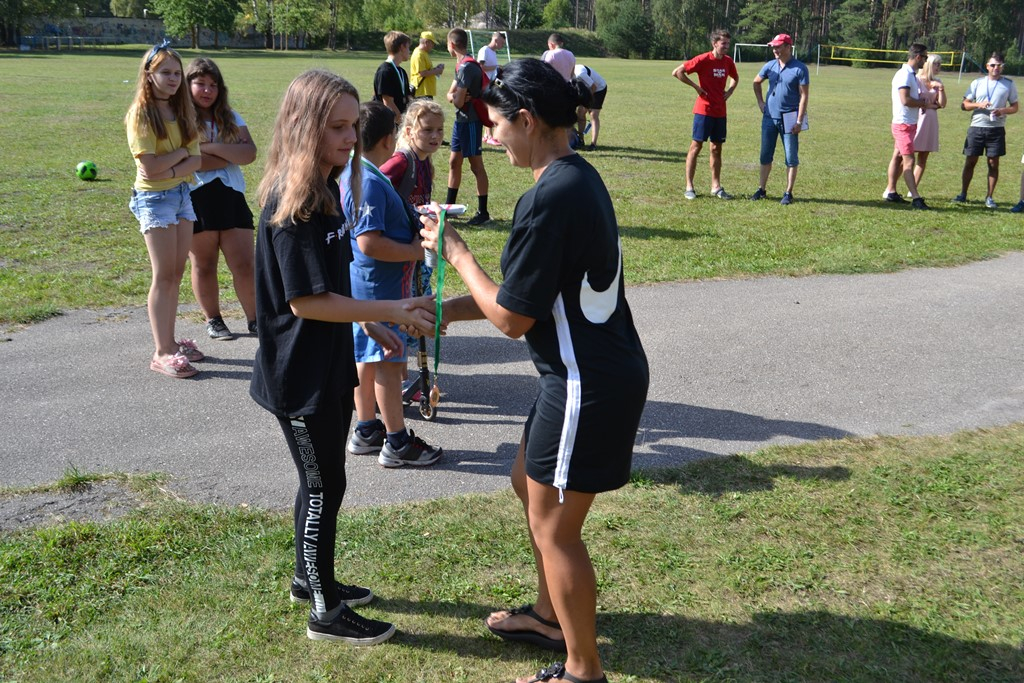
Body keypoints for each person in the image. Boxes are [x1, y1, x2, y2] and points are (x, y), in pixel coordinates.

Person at [420, 58, 649, 683]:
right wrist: (440, 313)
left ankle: (582, 670)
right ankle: (551, 617)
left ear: (526, 120)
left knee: (555, 528)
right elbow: (529, 297)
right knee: (529, 482)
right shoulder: (575, 177)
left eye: (496, 125)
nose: (491, 137)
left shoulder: (549, 195)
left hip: (587, 382)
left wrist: (456, 253)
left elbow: (513, 319)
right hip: (580, 375)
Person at [249, 69, 434, 645]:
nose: (351, 137)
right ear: (304, 127)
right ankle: (325, 612)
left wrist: (376, 323)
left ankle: (311, 580)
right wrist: (399, 308)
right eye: (336, 127)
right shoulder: (297, 202)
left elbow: (334, 289)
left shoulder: (328, 189)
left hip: (326, 367)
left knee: (322, 482)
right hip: (297, 375)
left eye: (354, 124)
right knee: (325, 486)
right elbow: (306, 302)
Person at [341, 101, 443, 468]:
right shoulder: (367, 180)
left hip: (369, 285)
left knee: (367, 358)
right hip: (378, 288)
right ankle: (397, 442)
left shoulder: (362, 171)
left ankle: (367, 429)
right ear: (389, 137)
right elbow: (369, 242)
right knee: (387, 358)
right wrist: (416, 250)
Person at [125, 42, 204, 379]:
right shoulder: (141, 114)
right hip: (154, 200)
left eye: (177, 73)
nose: (174, 79)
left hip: (183, 194)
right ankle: (162, 352)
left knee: (175, 273)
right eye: (166, 73)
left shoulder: (182, 112)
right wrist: (180, 158)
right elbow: (149, 169)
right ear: (149, 74)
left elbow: (197, 160)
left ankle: (171, 342)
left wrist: (171, 165)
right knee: (163, 275)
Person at [185, 57, 258, 341]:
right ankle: (214, 320)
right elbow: (193, 162)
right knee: (204, 264)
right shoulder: (179, 119)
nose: (207, 90)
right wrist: (228, 153)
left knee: (244, 263)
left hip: (231, 195)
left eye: (213, 85)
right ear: (188, 85)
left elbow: (249, 154)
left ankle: (255, 319)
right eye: (200, 84)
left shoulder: (229, 115)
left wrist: (212, 148)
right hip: (196, 196)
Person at [672, 28, 739, 200]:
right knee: (696, 147)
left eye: (728, 44)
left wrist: (729, 92)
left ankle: (716, 187)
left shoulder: (728, 61)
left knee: (716, 149)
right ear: (714, 43)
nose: (726, 47)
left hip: (720, 112)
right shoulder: (702, 59)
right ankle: (689, 186)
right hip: (703, 111)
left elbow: (735, 78)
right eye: (723, 43)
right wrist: (696, 87)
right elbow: (677, 72)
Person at [953, 52, 1019, 208]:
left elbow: (1015, 107)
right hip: (977, 127)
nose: (996, 68)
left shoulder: (1009, 84)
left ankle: (989, 197)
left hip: (996, 129)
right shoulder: (977, 83)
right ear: (987, 66)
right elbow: (965, 105)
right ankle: (963, 194)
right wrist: (978, 105)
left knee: (993, 164)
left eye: (999, 65)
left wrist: (1002, 110)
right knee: (970, 162)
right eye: (993, 65)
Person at [751, 33, 809, 205]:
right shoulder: (769, 66)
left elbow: (804, 96)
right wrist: (761, 102)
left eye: (778, 46)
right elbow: (756, 82)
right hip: (769, 118)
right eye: (773, 47)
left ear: (788, 47)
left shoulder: (800, 68)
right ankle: (761, 189)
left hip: (789, 119)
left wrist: (799, 121)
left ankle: (788, 193)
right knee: (765, 156)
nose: (775, 50)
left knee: (791, 157)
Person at [445, 27, 490, 225]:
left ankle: (483, 212)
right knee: (454, 161)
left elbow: (457, 102)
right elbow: (451, 95)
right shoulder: (460, 64)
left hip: (471, 121)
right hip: (460, 121)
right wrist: (456, 97)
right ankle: (448, 208)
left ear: (452, 45)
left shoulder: (467, 67)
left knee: (475, 165)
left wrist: (457, 98)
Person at [882, 43, 934, 210]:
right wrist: (921, 103)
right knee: (909, 161)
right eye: (925, 57)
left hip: (909, 123)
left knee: (898, 156)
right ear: (918, 57)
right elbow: (905, 100)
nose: (925, 61)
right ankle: (916, 198)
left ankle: (891, 192)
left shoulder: (911, 74)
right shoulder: (904, 75)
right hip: (903, 124)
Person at [911, 54, 947, 196]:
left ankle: (912, 189)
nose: (938, 67)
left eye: (940, 64)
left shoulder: (937, 82)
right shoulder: (917, 80)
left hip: (931, 121)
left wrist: (941, 88)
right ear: (928, 64)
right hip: (918, 118)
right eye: (936, 64)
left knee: (923, 157)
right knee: (907, 154)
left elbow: (942, 104)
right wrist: (932, 105)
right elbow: (918, 101)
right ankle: (894, 186)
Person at [373, 31, 412, 122]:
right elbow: (388, 103)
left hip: (400, 122)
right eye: (408, 48)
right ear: (402, 47)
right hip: (387, 123)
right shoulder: (385, 71)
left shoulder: (402, 71)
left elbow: (407, 97)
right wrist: (402, 122)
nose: (409, 51)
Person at [478, 31, 506, 146]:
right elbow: (480, 67)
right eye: (502, 43)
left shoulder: (493, 52)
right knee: (488, 109)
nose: (502, 45)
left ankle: (487, 135)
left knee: (493, 107)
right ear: (496, 40)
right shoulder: (484, 50)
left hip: (492, 83)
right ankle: (489, 135)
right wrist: (495, 67)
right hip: (485, 84)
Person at [573, 63, 608, 151]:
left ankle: (593, 144)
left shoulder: (580, 73)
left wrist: (587, 103)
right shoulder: (566, 74)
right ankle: (580, 140)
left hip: (599, 89)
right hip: (585, 90)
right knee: (580, 113)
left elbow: (594, 87)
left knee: (593, 114)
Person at [409, 31, 444, 100]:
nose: (433, 46)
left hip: (425, 91)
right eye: (432, 43)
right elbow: (422, 73)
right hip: (421, 91)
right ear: (426, 42)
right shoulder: (419, 54)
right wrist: (437, 71)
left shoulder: (424, 53)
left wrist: (436, 68)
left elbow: (426, 70)